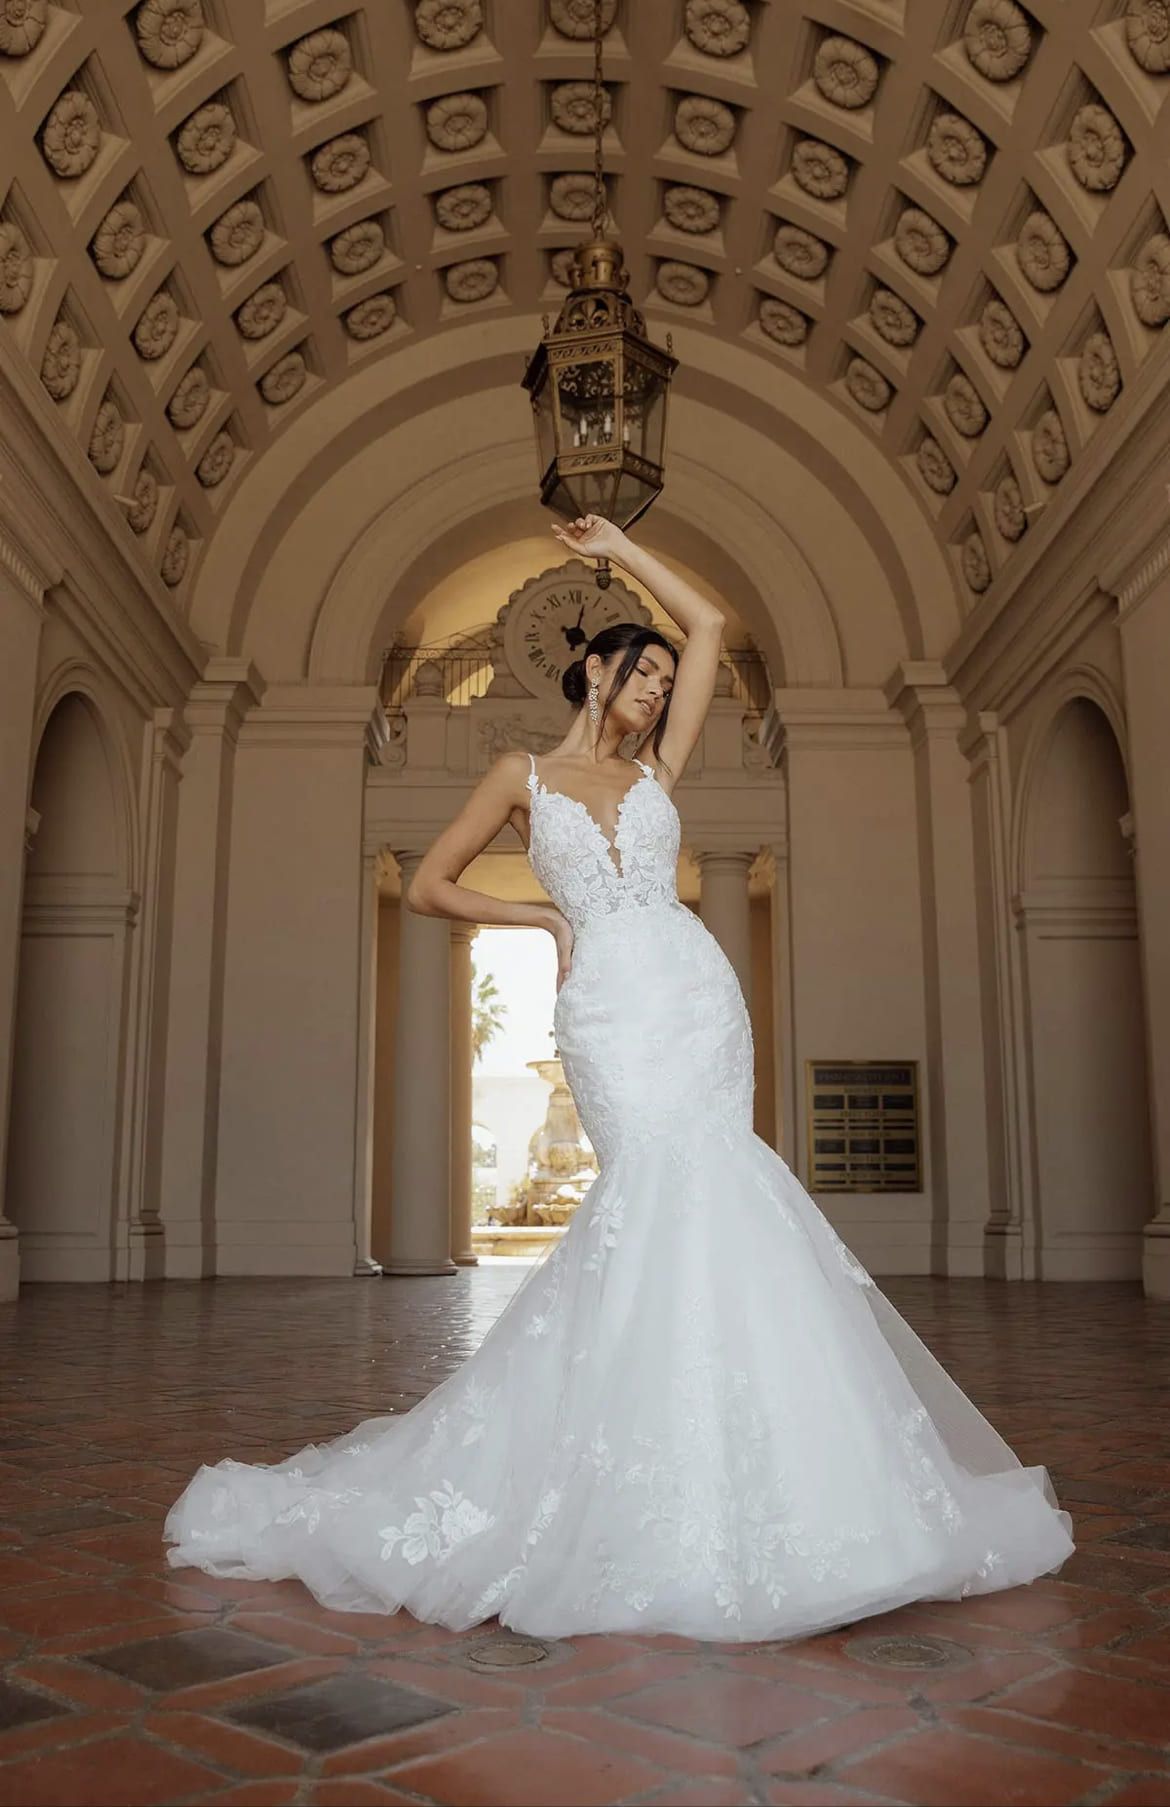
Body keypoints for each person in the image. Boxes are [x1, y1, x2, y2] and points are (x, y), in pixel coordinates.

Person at [164, 515, 1074, 1640]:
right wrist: (541, 914)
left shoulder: (663, 767)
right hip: (608, 1010)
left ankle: (775, 1480)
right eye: (637, 672)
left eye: (660, 679)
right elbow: (433, 886)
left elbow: (708, 621)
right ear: (594, 671)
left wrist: (623, 551)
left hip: (693, 992)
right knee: (652, 1197)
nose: (653, 689)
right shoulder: (521, 773)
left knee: (724, 1188)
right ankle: (636, 1470)